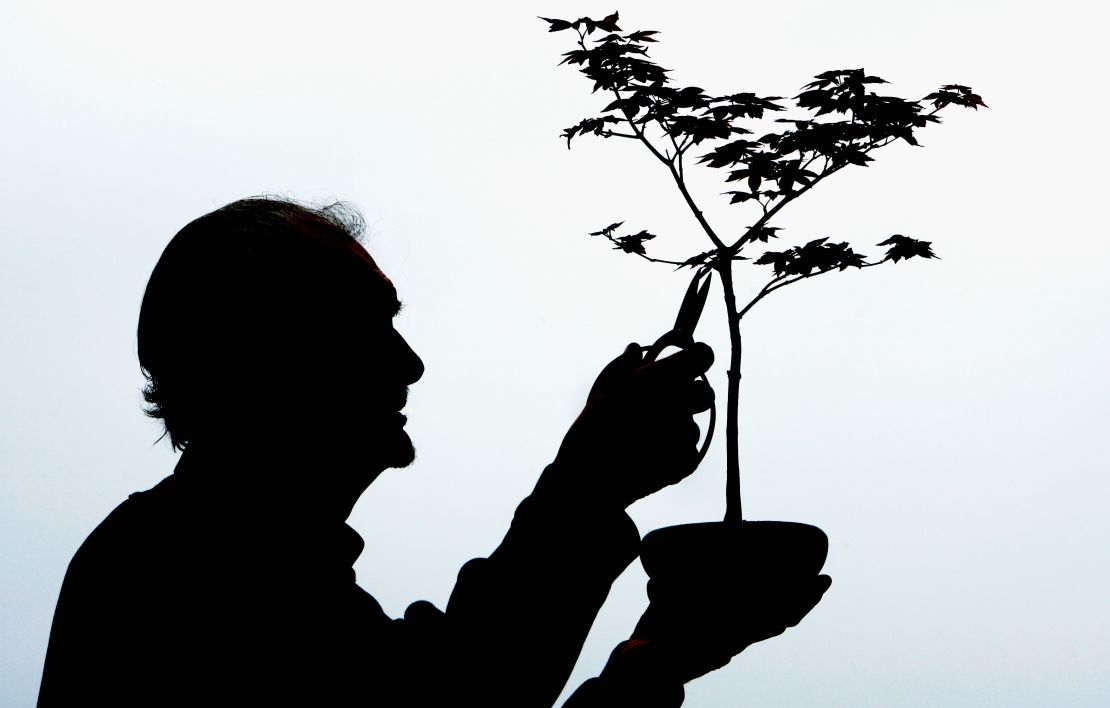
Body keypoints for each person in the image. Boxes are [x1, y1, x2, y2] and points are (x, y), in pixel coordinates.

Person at [38, 197, 830, 707]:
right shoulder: (181, 575)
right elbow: (463, 702)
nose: (408, 363)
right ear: (260, 355)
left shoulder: (203, 563)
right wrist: (587, 489)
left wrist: (656, 660)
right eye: (364, 327)